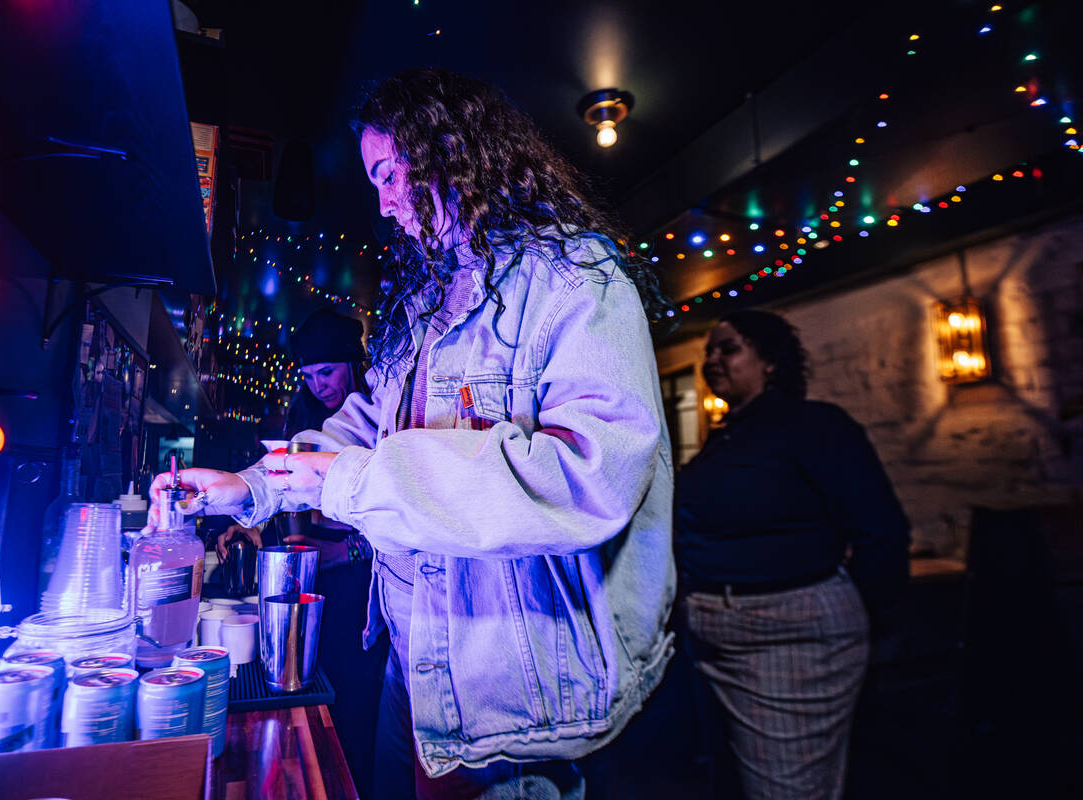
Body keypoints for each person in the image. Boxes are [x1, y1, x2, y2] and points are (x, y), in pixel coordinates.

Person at [149, 67, 676, 799]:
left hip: (513, 687)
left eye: (391, 172)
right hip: (416, 657)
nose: (386, 204)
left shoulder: (571, 277)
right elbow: (365, 424)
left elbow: (590, 477)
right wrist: (252, 485)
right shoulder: (427, 302)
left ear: (455, 150)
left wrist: (355, 480)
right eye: (375, 182)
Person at [674, 309, 910, 799]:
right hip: (717, 638)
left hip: (787, 637)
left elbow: (880, 530)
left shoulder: (812, 426)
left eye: (728, 348)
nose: (712, 360)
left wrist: (862, 618)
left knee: (787, 791)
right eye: (708, 352)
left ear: (771, 362)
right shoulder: (727, 437)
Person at [214, 308, 386, 797]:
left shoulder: (380, 411)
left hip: (361, 585)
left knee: (355, 702)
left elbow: (400, 509)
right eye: (308, 376)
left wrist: (343, 555)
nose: (318, 385)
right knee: (311, 694)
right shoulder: (309, 417)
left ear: (353, 363)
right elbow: (284, 479)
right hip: (315, 582)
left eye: (327, 372)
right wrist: (251, 520)